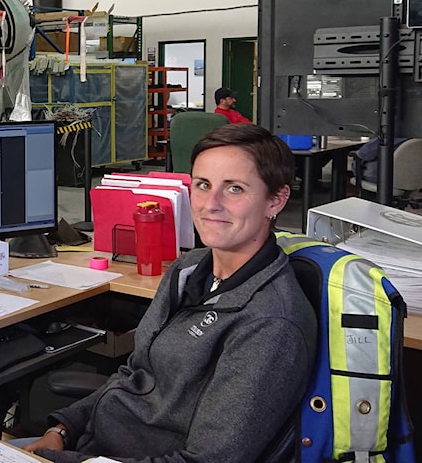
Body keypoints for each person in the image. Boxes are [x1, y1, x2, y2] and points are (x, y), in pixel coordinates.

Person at [23, 123, 317, 463]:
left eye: (234, 189)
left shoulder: (269, 324)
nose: (211, 204)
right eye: (203, 185)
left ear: (275, 201)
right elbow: (135, 373)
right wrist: (63, 429)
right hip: (91, 444)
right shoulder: (189, 269)